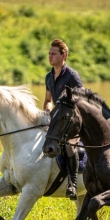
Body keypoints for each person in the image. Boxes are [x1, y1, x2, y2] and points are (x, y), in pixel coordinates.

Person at [44, 38, 83, 200]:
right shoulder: (48, 76)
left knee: (69, 146)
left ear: (63, 55)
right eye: (49, 54)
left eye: (54, 54)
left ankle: (72, 185)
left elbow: (82, 100)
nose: (50, 56)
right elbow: (48, 100)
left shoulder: (72, 76)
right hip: (55, 120)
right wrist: (47, 110)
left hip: (72, 121)